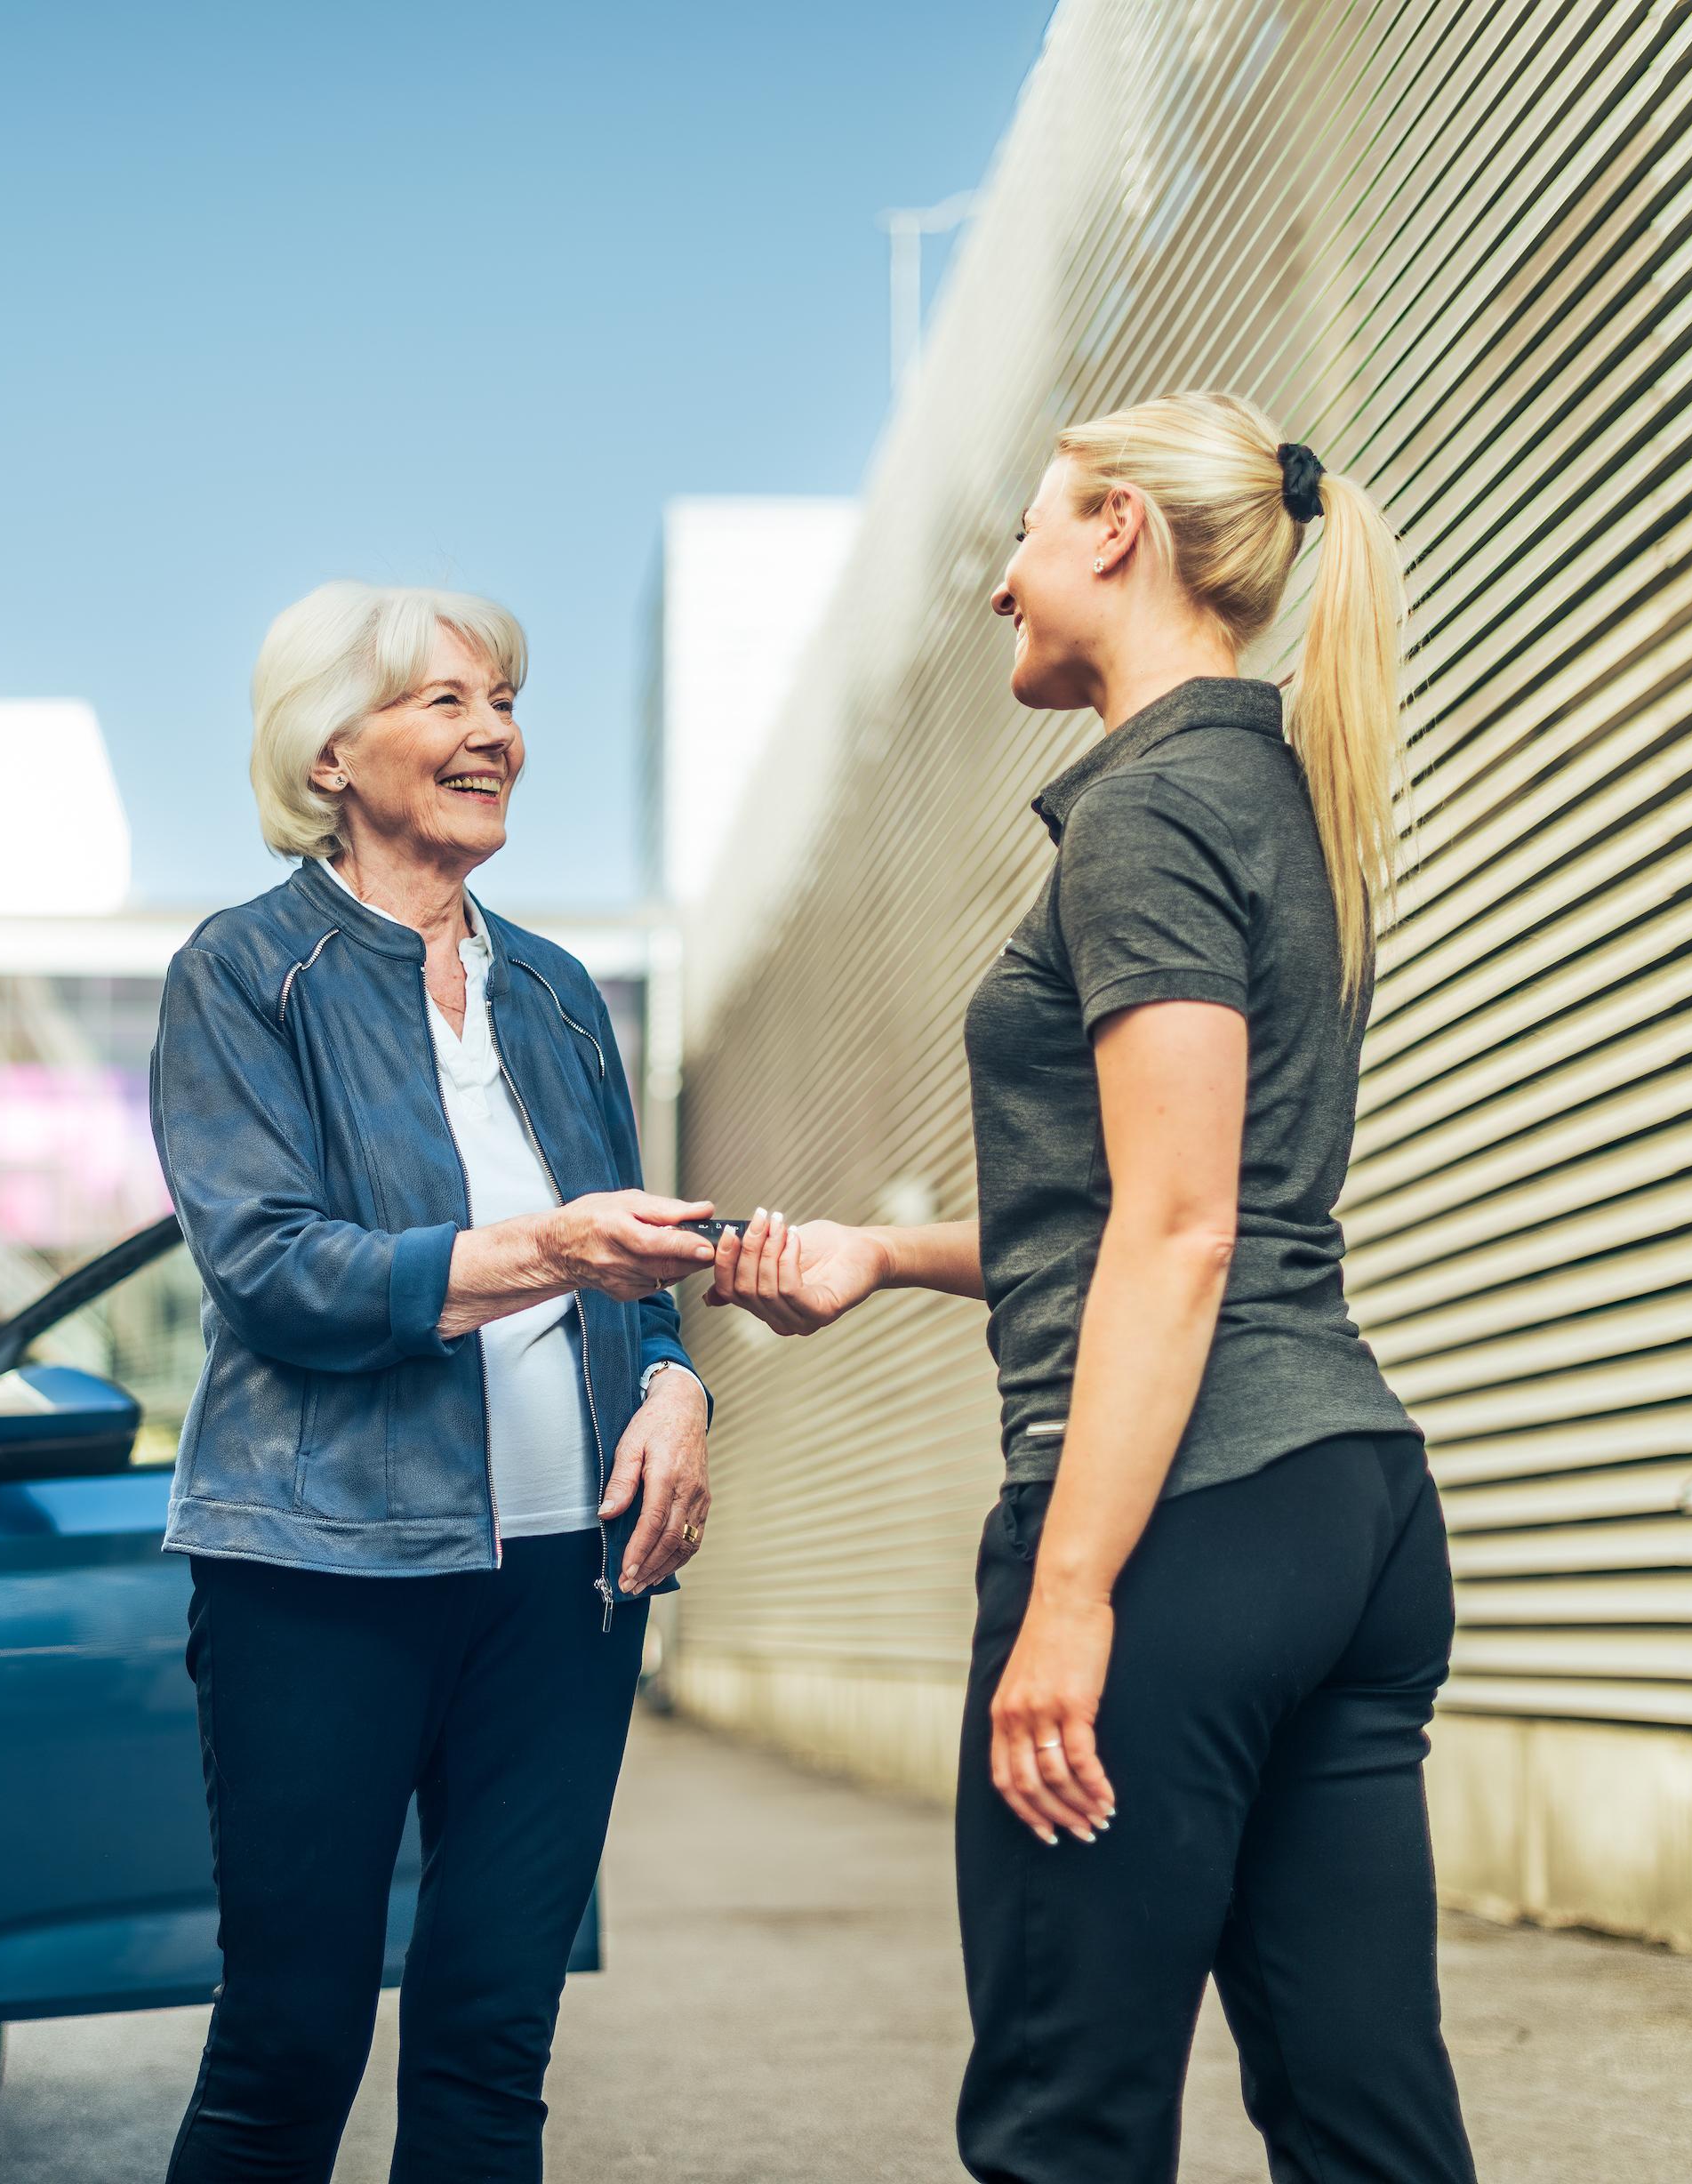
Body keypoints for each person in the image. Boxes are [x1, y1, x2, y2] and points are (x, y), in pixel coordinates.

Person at [712, 393, 1479, 2182]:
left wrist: (1070, 1588)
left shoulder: (1149, 809)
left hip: (1180, 1521)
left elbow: (1183, 1227)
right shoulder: (1284, 782)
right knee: (1368, 2121)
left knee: (1067, 2118)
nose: (1002, 582)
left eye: (1029, 529)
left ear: (1117, 530)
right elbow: (1164, 1201)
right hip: (1342, 1505)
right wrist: (887, 1253)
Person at [149, 580, 718, 2181]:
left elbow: (638, 1282)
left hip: (563, 1588)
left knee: (489, 2040)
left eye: (507, 703)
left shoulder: (554, 993)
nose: (496, 737)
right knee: (291, 2039)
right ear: (330, 751)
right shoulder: (243, 974)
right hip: (318, 1573)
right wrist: (548, 1251)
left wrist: (674, 1388)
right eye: (448, 703)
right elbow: (276, 1273)